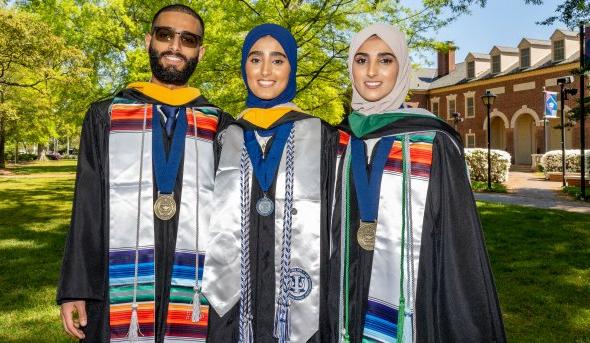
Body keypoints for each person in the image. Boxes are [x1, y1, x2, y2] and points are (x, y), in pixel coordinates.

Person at [57, 4, 231, 342]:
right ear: (149, 40)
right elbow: (87, 206)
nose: (175, 47)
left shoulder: (219, 125)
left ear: (201, 51)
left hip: (196, 294)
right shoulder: (106, 115)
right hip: (117, 290)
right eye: (165, 35)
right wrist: (75, 287)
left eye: (188, 39)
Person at [329, 23, 506, 342]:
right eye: (360, 60)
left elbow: (458, 246)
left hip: (416, 300)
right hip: (345, 295)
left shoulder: (433, 141)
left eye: (385, 60)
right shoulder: (336, 141)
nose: (371, 71)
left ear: (402, 67)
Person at [201, 23, 339, 343]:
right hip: (232, 307)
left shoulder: (324, 137)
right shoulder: (224, 137)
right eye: (255, 59)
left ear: (292, 68)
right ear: (243, 67)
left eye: (278, 60)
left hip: (302, 305)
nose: (266, 70)